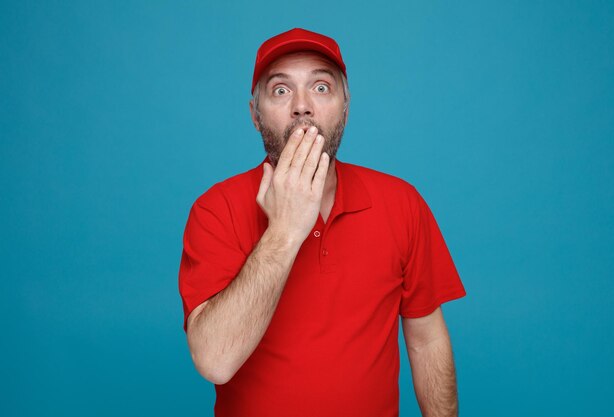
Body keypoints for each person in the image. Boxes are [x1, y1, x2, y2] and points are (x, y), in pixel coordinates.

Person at [178, 27, 467, 417]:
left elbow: (426, 341)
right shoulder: (216, 210)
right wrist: (283, 232)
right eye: (281, 90)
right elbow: (215, 361)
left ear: (345, 106)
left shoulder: (403, 204)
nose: (302, 106)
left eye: (321, 87)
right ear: (255, 114)